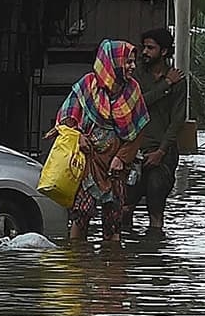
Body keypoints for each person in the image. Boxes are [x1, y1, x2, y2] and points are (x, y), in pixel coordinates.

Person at [54, 39, 148, 249]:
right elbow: (66, 119)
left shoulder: (133, 90)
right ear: (112, 63)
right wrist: (78, 136)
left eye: (133, 62)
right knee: (81, 215)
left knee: (113, 221)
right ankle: (77, 264)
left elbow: (138, 131)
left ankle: (111, 272)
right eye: (128, 62)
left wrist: (121, 158)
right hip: (88, 163)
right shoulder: (87, 86)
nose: (133, 67)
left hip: (116, 168)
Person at [128, 27, 185, 244]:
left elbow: (177, 122)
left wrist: (161, 152)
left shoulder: (178, 81)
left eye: (150, 48)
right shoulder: (136, 75)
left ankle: (154, 254)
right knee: (125, 205)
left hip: (163, 153)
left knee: (155, 202)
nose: (145, 52)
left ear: (163, 51)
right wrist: (165, 85)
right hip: (134, 150)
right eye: (144, 47)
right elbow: (137, 104)